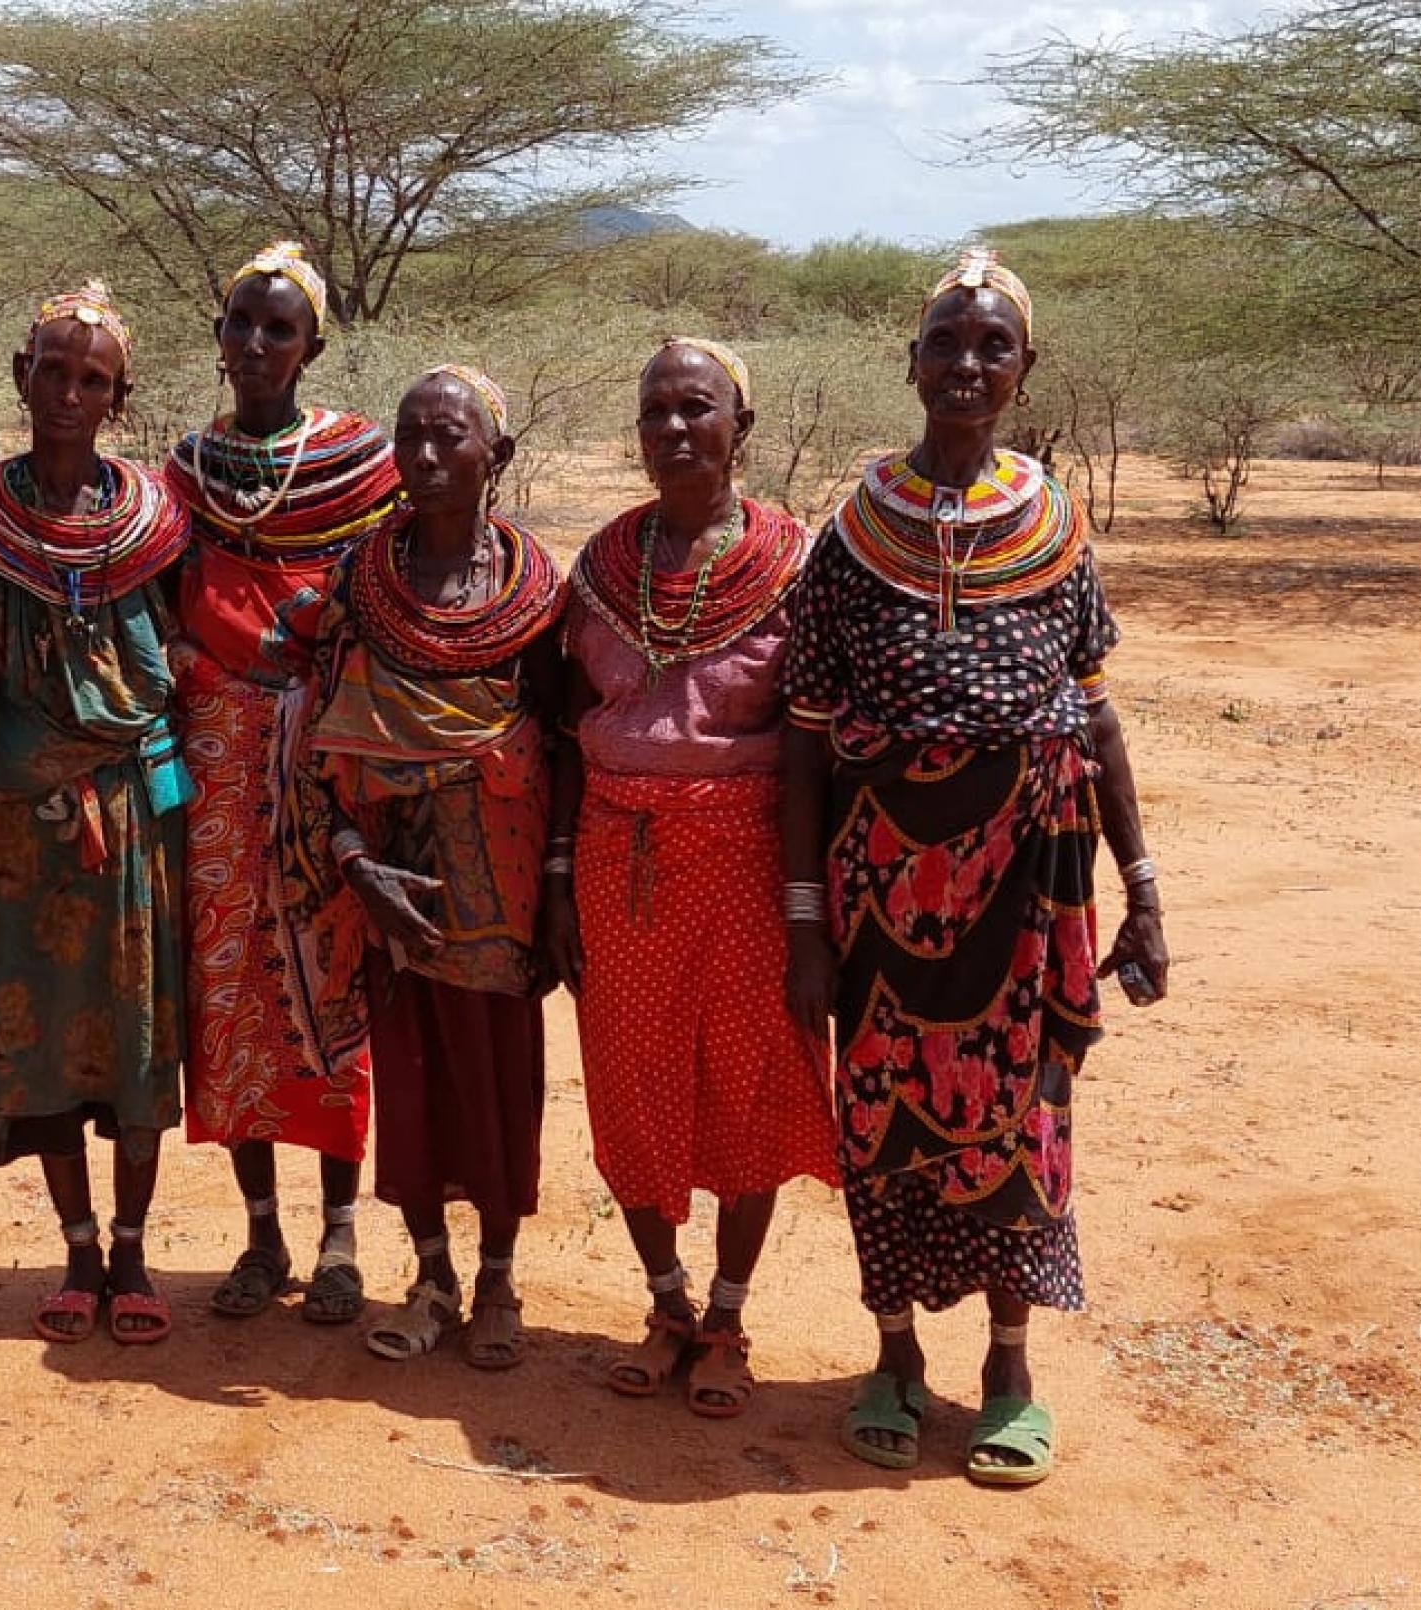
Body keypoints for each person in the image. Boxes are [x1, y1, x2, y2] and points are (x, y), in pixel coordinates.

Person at [780, 248, 1171, 1487]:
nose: (965, 364)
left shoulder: (1055, 525)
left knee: (1023, 1117)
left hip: (1028, 895)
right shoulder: (851, 533)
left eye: (991, 345)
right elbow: (801, 745)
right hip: (882, 897)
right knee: (881, 1114)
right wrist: (804, 919)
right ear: (911, 362)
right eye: (945, 341)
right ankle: (892, 1352)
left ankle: (1008, 1364)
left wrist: (1146, 888)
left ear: (1024, 369)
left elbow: (1097, 716)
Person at [553, 337, 836, 1418]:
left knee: (749, 1085)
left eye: (698, 407)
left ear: (741, 428)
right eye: (656, 409)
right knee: (633, 1079)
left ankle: (727, 1313)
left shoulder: (794, 562)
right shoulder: (600, 566)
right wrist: (558, 875)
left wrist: (814, 912)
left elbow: (821, 742)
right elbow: (559, 727)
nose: (675, 428)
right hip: (621, 871)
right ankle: (665, 1300)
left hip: (750, 867)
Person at [303, 365, 565, 1371]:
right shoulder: (361, 583)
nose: (422, 457)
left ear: (494, 455)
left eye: (448, 437)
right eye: (409, 436)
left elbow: (562, 737)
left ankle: (498, 1275)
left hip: (498, 871)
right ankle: (430, 1273)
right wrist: (355, 860)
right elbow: (319, 739)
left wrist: (552, 884)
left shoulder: (536, 591)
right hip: (390, 870)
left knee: (497, 1074)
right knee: (410, 1073)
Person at [163, 242, 400, 1326]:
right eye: (241, 326)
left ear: (313, 344)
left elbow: (385, 603)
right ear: (219, 340)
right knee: (232, 1002)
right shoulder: (184, 471)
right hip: (212, 764)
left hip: (322, 762)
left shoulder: (361, 465)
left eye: (279, 329)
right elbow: (162, 606)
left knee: (328, 988)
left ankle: (341, 1234)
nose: (256, 346)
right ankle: (260, 1234)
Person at [0, 280, 194, 1348]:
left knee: (135, 1019)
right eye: (51, 370)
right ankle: (79, 1246)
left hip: (132, 811)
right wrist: (5, 750)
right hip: (23, 820)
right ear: (21, 375)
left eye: (91, 378)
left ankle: (138, 1247)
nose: (68, 391)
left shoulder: (153, 519)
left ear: (119, 395)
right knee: (36, 1021)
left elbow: (187, 663)